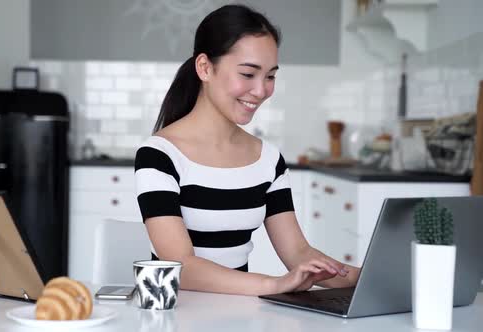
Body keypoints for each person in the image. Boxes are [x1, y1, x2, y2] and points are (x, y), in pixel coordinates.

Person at [134, 4, 360, 296]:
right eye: (248, 73)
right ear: (204, 68)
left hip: (243, 314)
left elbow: (298, 253)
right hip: (176, 315)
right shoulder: (160, 156)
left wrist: (366, 277)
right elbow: (180, 265)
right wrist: (274, 284)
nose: (261, 90)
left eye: (270, 76)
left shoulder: (267, 160)